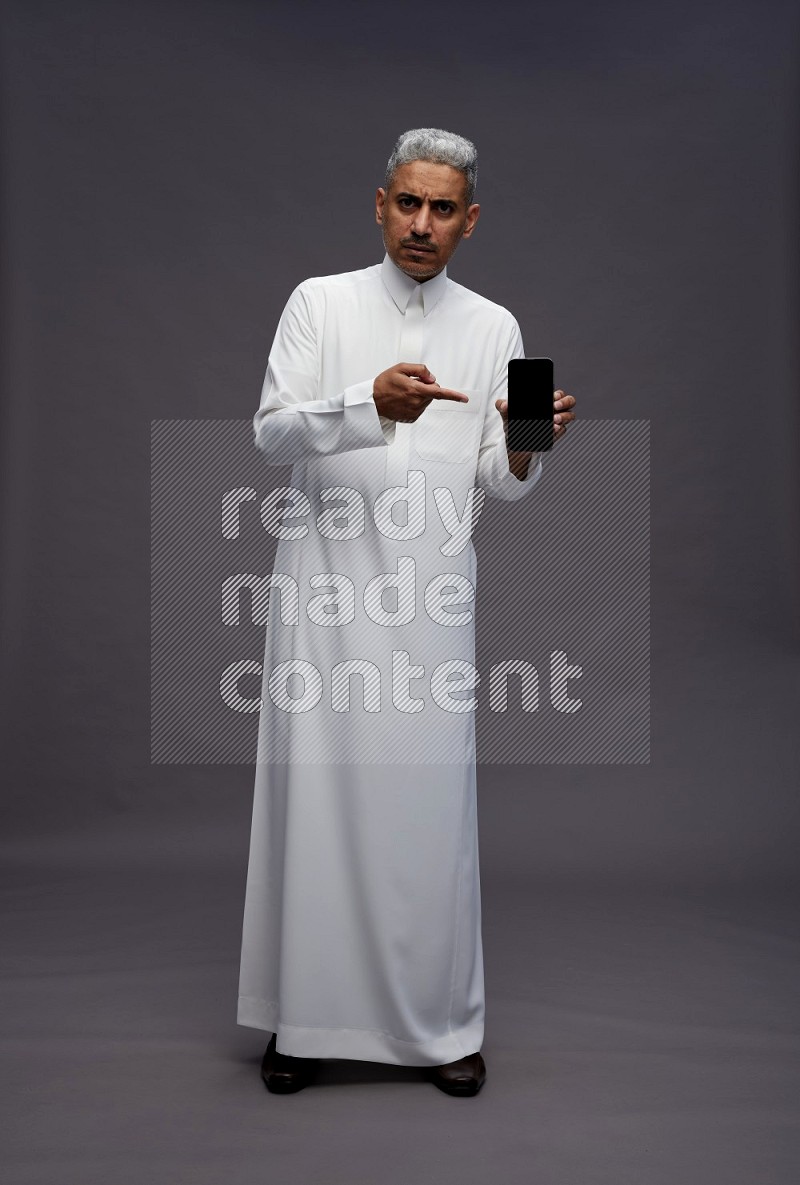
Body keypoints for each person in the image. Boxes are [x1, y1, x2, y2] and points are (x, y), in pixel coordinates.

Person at [237, 128, 576, 1096]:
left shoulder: (493, 326)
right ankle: (302, 1024)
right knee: (317, 803)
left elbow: (496, 486)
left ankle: (441, 1029)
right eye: (406, 204)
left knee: (428, 815)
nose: (420, 224)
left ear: (468, 222)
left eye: (441, 210)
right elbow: (269, 433)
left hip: (429, 602)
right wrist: (367, 402)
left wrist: (524, 447)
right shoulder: (320, 303)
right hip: (324, 596)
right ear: (378, 204)